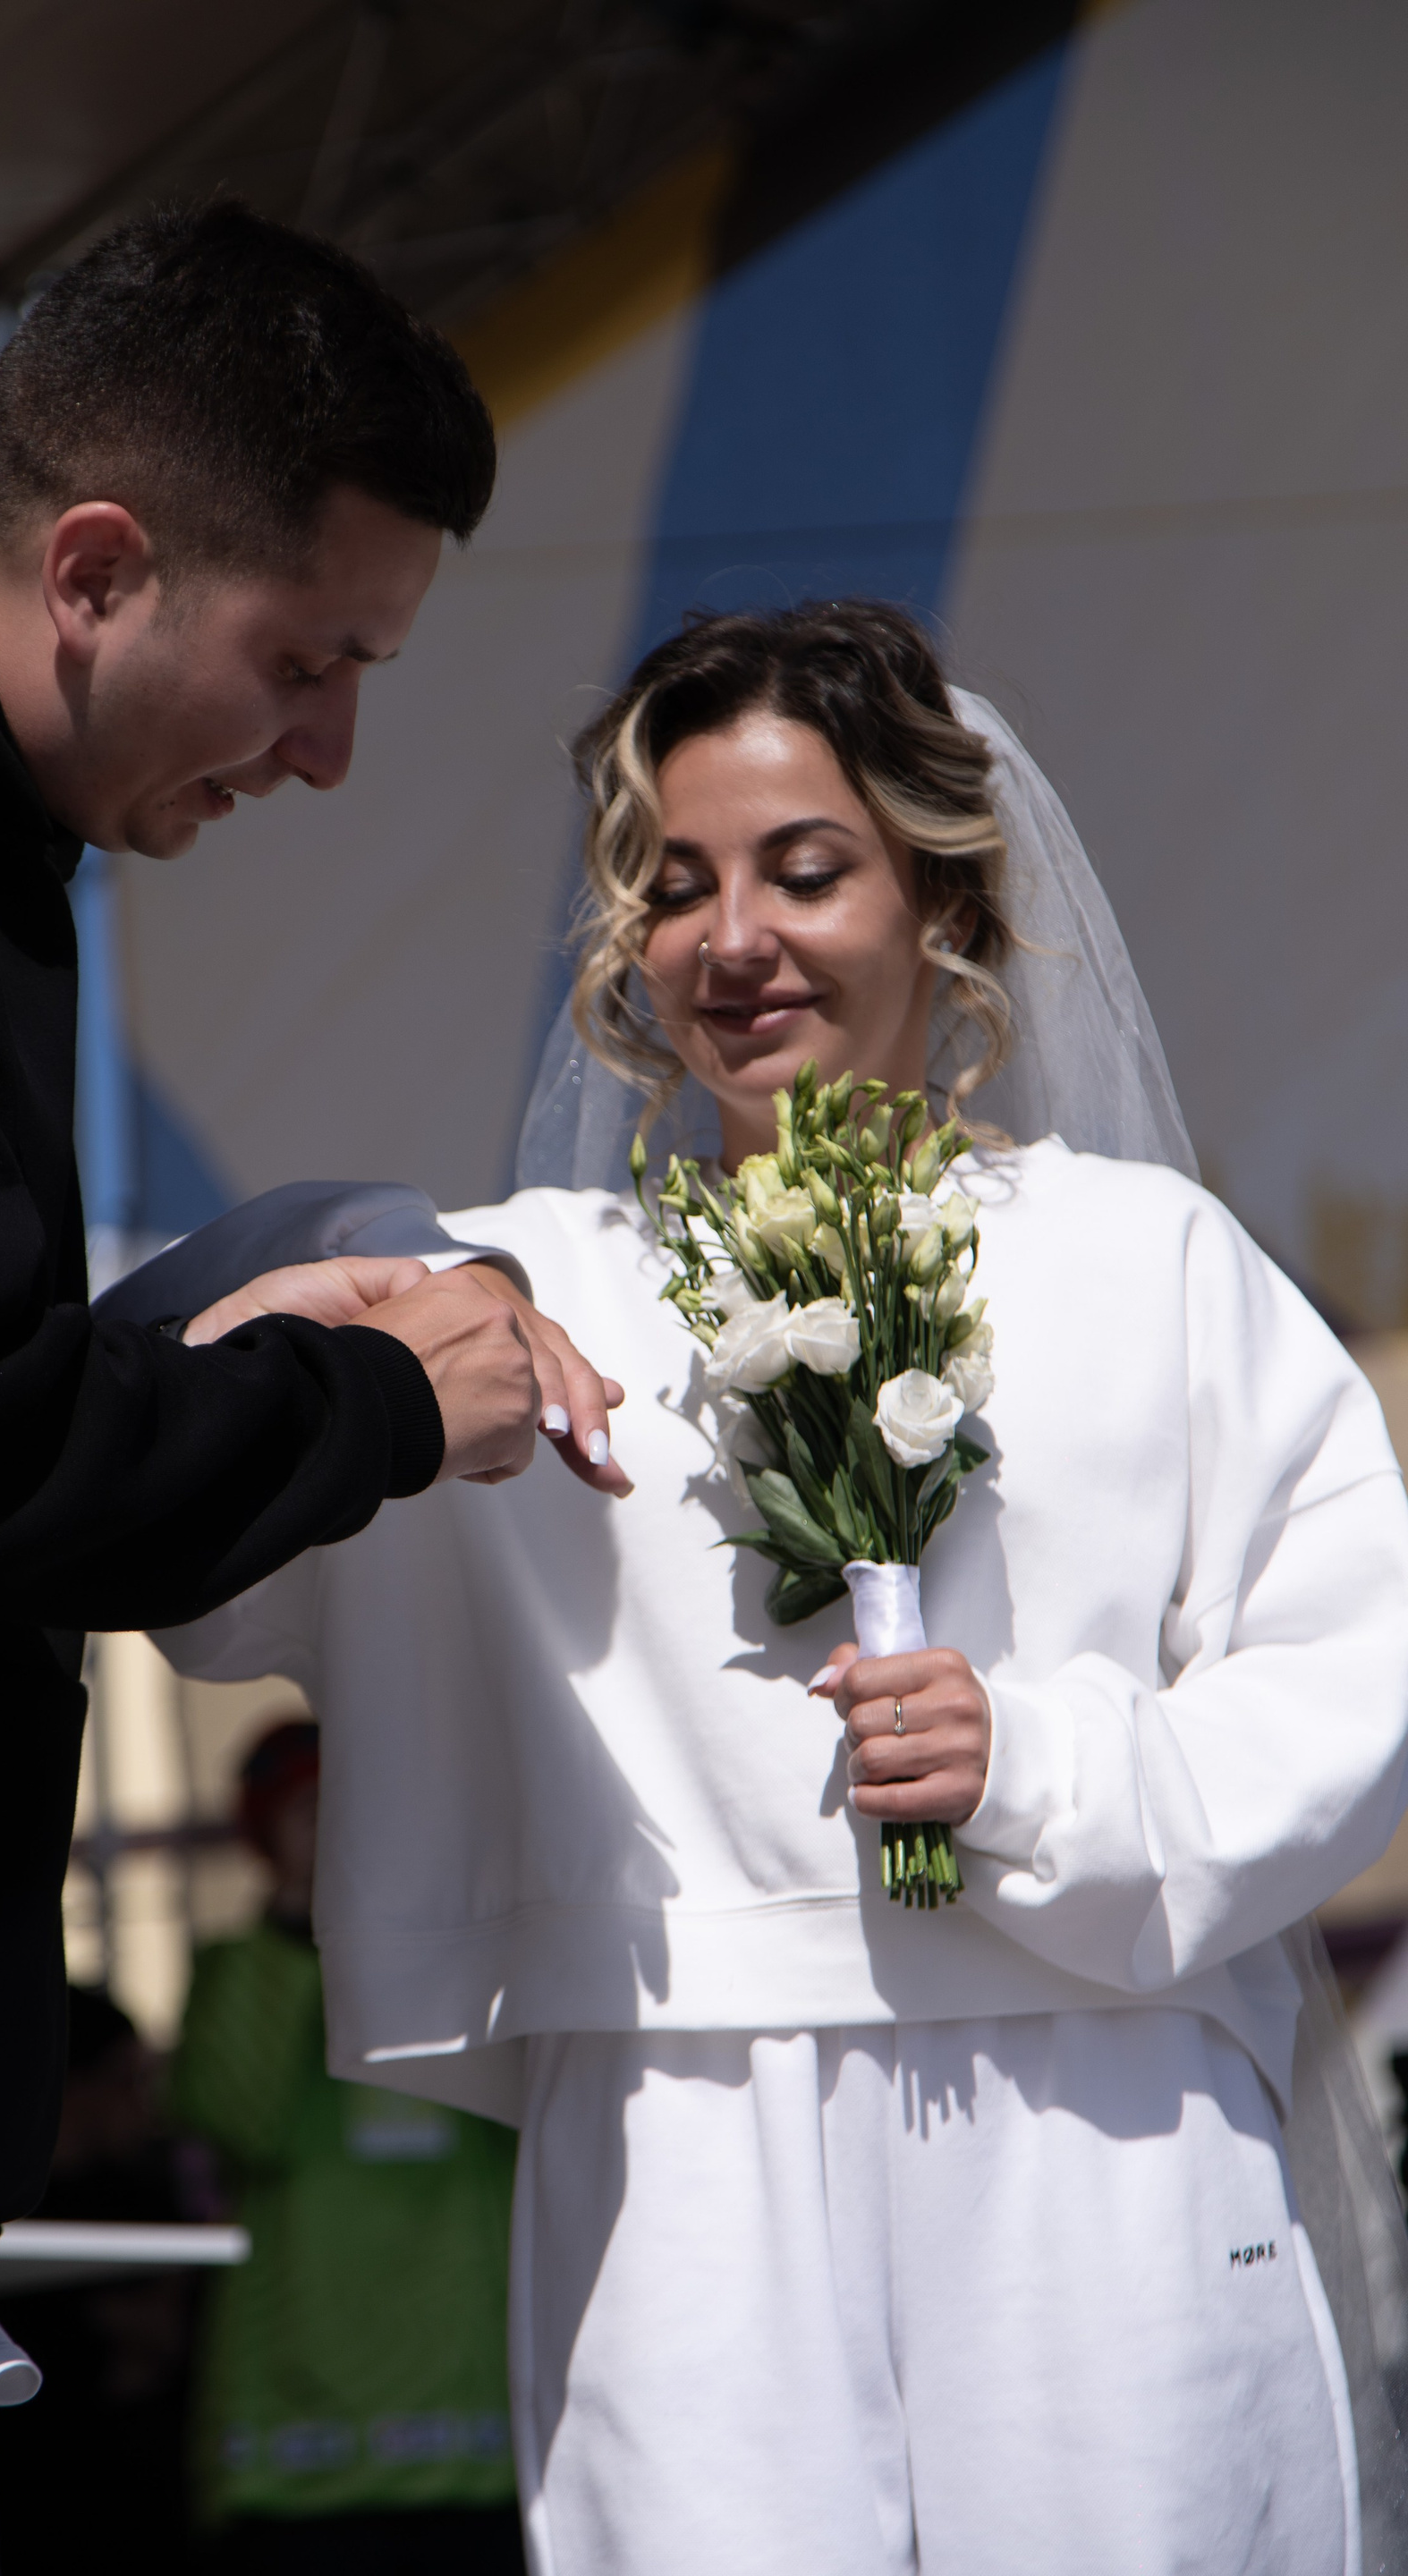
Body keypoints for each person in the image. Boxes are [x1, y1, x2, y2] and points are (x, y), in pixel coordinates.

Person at [152, 600, 1408, 2576]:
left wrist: (1040, 1766)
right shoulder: (522, 1288)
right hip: (682, 2130)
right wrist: (391, 1257)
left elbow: (1350, 1666)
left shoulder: (1148, 1258)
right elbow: (170, 1467)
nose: (731, 938)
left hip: (1096, 2096)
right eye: (676, 886)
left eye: (805, 871)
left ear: (947, 903)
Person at [0, 199, 619, 2571]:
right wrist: (370, 1407)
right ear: (98, 566)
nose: (330, 753)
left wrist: (227, 1323)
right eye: (308, 660)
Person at [173, 1721, 522, 2575]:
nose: (341, 1832)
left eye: (361, 1810)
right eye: (312, 1812)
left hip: (476, 2433)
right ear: (268, 1836)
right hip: (300, 2438)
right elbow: (230, 2116)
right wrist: (298, 1926)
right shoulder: (239, 1968)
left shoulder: (479, 1959)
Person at [0, 1987, 196, 2573]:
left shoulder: (148, 2196)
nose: (146, 2103)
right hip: (26, 2495)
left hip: (129, 2505)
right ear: (72, 2083)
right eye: (129, 2081)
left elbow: (163, 2337)